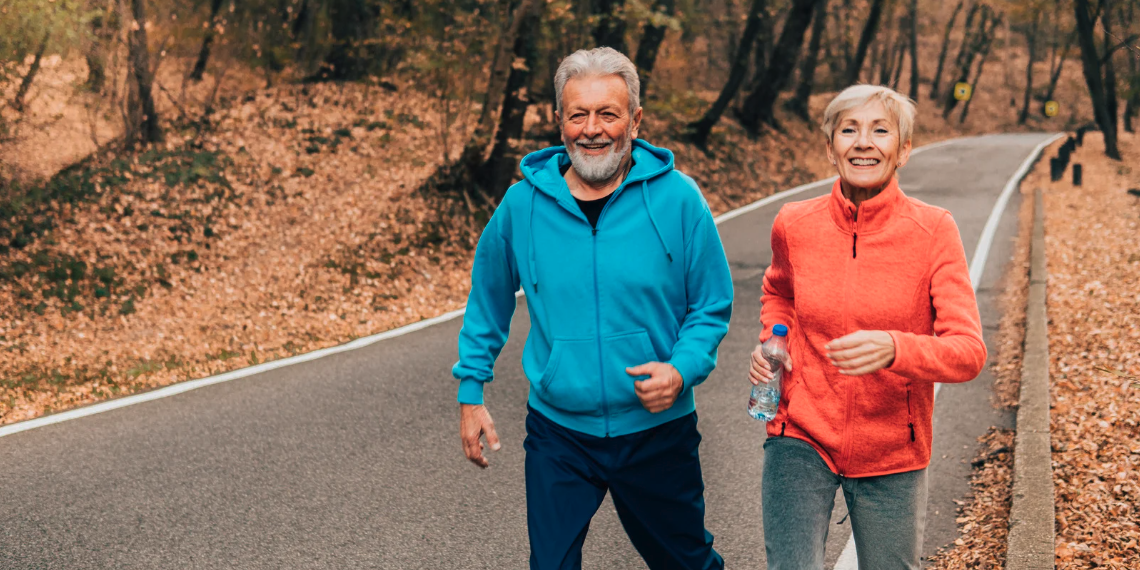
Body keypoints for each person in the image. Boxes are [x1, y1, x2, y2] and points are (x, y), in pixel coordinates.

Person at [453, 47, 733, 570]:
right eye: (578, 114)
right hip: (560, 433)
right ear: (559, 120)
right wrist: (472, 390)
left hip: (656, 430)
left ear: (635, 119)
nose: (592, 129)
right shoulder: (522, 205)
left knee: (686, 562)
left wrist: (681, 369)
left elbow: (711, 304)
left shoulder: (678, 199)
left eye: (608, 113)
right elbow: (487, 299)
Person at [747, 84, 987, 569]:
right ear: (830, 145)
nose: (863, 142)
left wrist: (896, 348)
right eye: (849, 129)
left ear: (903, 149)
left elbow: (967, 352)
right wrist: (774, 341)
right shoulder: (795, 223)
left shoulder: (934, 231)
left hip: (892, 448)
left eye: (881, 130)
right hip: (801, 431)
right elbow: (780, 293)